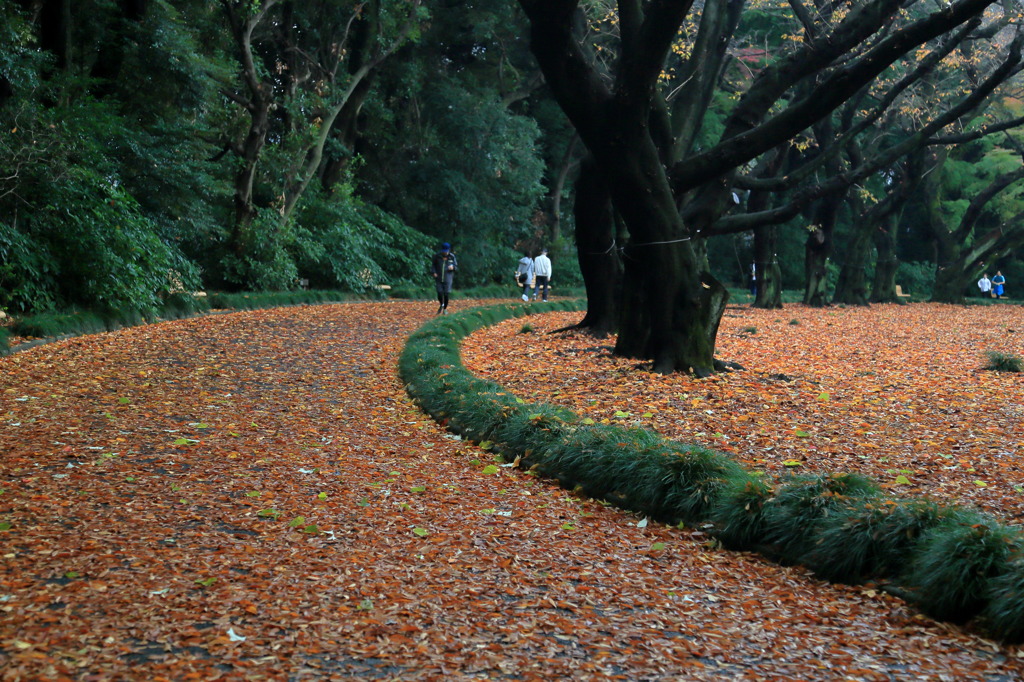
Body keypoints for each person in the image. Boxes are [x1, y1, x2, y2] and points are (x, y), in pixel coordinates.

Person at [431, 242, 458, 314]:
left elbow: (456, 267)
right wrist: (434, 272)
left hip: (448, 278)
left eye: (446, 251)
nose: (445, 253)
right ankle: (441, 304)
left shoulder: (452, 257)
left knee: (446, 293)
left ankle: (445, 309)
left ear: (448, 250)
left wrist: (453, 267)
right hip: (439, 278)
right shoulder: (437, 256)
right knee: (439, 292)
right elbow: (433, 265)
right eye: (443, 251)